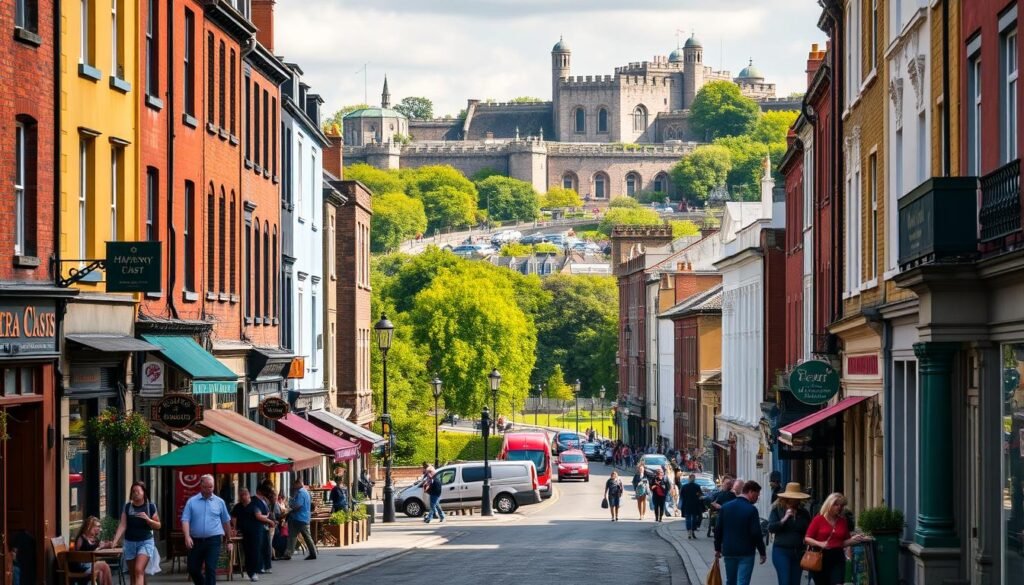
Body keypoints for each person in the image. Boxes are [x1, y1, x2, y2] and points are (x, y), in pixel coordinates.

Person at [804, 493, 868, 585]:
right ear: (829, 505)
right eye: (836, 504)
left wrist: (857, 539)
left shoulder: (842, 521)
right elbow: (807, 538)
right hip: (820, 557)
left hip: (837, 557)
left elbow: (843, 542)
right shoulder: (818, 520)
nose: (839, 507)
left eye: (841, 505)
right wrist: (820, 543)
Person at [181, 474, 232, 585]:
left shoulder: (219, 502)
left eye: (211, 487)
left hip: (213, 541)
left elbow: (226, 521)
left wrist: (229, 540)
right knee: (193, 569)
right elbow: (185, 520)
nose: (209, 490)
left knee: (210, 568)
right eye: (206, 487)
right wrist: (187, 536)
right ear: (201, 485)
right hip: (196, 541)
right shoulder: (192, 501)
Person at [714, 480, 767, 585]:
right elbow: (756, 533)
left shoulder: (725, 507)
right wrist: (762, 552)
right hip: (746, 551)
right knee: (742, 582)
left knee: (731, 581)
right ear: (751, 492)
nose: (757, 498)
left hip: (729, 550)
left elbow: (718, 529)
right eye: (757, 495)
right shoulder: (751, 510)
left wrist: (717, 548)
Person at [111, 480, 161, 585]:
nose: (135, 493)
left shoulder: (150, 506)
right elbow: (123, 524)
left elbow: (158, 525)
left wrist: (148, 519)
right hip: (130, 542)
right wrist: (115, 541)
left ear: (144, 492)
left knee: (138, 569)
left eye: (138, 491)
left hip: (145, 542)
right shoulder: (127, 506)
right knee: (134, 574)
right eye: (133, 491)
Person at [767, 483, 812, 585]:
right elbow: (771, 528)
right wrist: (784, 519)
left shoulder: (803, 513)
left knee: (795, 582)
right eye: (792, 498)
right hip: (781, 551)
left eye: (796, 499)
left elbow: (809, 530)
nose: (795, 501)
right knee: (785, 581)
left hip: (798, 551)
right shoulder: (777, 510)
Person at [231, 488, 274, 582]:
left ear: (248, 495)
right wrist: (234, 528)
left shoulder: (254, 505)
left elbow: (258, 516)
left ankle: (254, 572)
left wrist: (269, 521)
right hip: (244, 532)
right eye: (241, 495)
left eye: (244, 495)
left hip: (256, 531)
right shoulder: (238, 506)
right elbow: (234, 517)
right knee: (247, 551)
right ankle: (250, 570)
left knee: (255, 551)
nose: (243, 497)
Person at [72, 516, 114, 585]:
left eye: (99, 527)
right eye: (97, 526)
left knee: (102, 570)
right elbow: (77, 557)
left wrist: (106, 544)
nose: (99, 529)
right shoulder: (81, 538)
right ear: (89, 526)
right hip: (82, 568)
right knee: (103, 565)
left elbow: (99, 546)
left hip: (90, 565)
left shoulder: (94, 539)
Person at [283, 478, 317, 560]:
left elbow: (298, 505)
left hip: (298, 518)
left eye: (295, 484)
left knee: (292, 536)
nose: (293, 486)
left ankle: (288, 553)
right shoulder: (305, 492)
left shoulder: (300, 492)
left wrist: (291, 509)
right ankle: (313, 552)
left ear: (298, 483)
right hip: (304, 517)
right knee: (306, 536)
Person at [255, 485, 276, 574]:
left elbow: (266, 513)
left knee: (266, 547)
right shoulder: (255, 501)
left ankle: (267, 566)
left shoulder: (264, 500)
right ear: (259, 491)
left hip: (265, 527)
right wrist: (269, 520)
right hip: (259, 527)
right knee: (260, 547)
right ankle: (260, 567)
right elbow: (258, 515)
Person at [680, 473, 706, 539]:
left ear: (689, 479)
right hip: (695, 505)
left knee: (688, 518)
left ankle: (689, 531)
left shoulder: (684, 486)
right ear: (694, 479)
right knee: (694, 518)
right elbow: (700, 495)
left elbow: (681, 496)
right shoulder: (697, 486)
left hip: (687, 504)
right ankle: (693, 530)